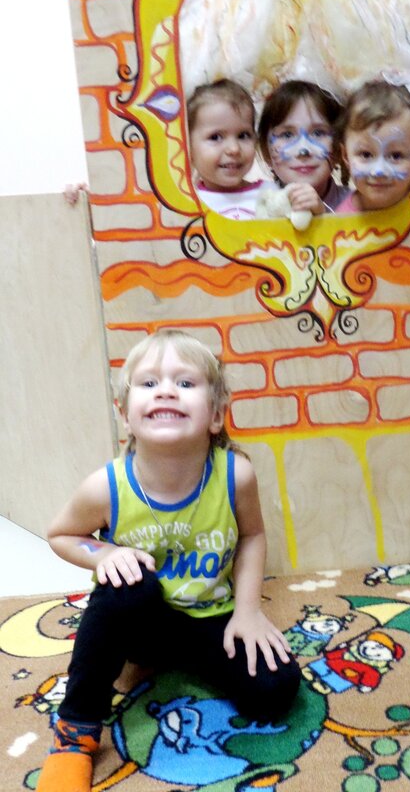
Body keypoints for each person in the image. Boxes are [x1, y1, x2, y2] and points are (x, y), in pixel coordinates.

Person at [36, 329, 301, 792]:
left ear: (215, 414)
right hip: (144, 621)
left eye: (184, 382)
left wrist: (247, 612)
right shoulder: (106, 487)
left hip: (212, 619)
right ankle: (75, 734)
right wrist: (107, 553)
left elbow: (253, 535)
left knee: (277, 691)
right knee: (125, 587)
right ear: (125, 415)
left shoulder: (235, 475)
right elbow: (60, 535)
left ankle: (177, 665)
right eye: (148, 383)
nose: (165, 391)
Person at [336, 74, 410, 213]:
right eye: (366, 154)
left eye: (396, 156)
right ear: (346, 156)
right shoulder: (343, 219)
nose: (378, 171)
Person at [256, 79, 346, 217]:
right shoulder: (254, 208)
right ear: (265, 151)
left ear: (339, 147)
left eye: (318, 133)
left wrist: (322, 218)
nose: (303, 150)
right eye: (287, 135)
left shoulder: (360, 207)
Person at [187, 79, 272, 219]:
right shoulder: (186, 205)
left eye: (243, 135)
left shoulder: (271, 195)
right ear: (188, 147)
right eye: (215, 137)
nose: (234, 149)